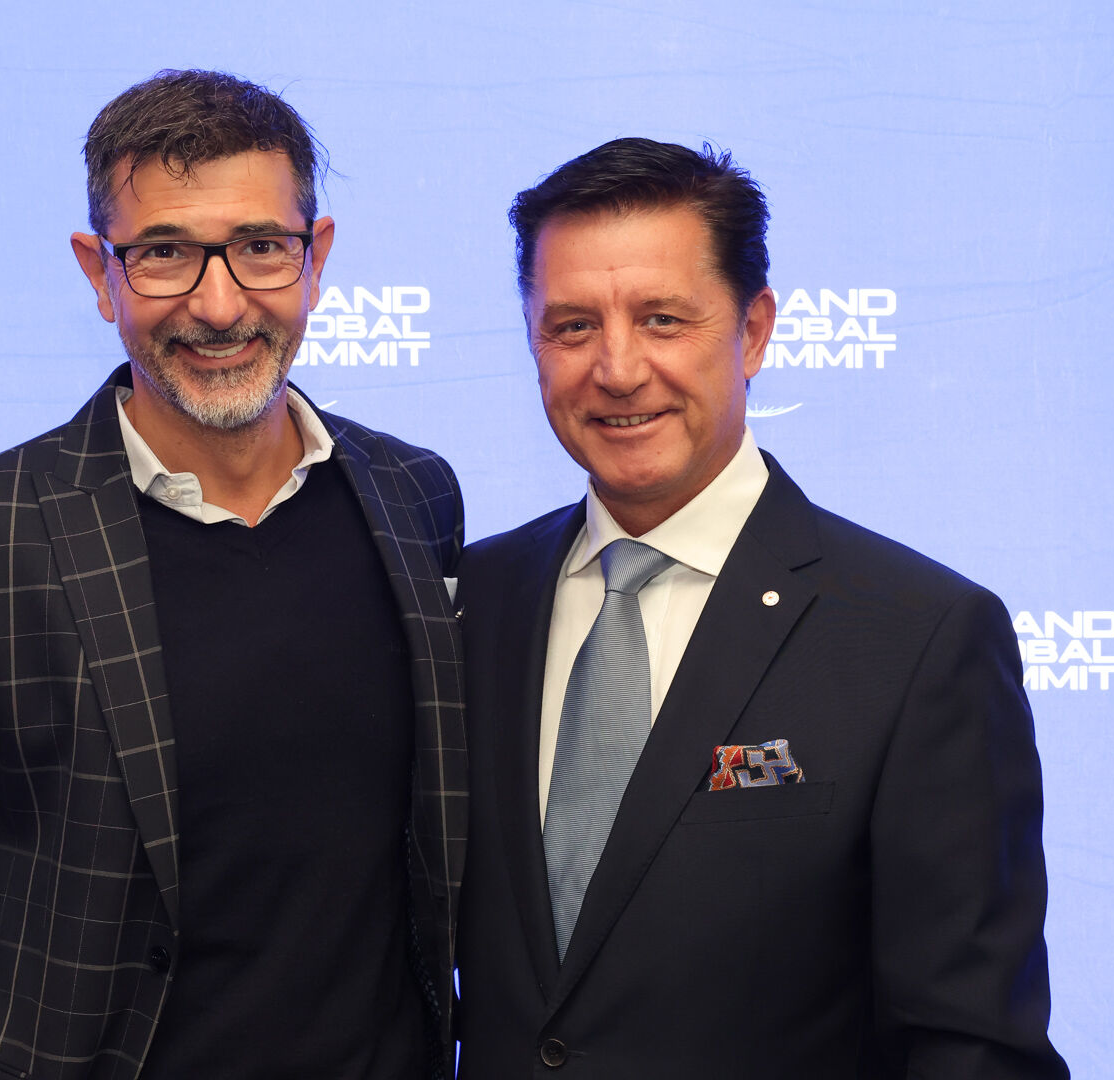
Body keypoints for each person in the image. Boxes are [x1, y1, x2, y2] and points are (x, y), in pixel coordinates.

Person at [0, 69, 465, 1080]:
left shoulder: (416, 496)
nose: (219, 304)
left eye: (260, 247)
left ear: (316, 256)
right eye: (164, 253)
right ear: (98, 271)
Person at [454, 138, 1068, 1078]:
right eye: (572, 327)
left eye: (662, 319)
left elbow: (972, 1047)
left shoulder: (917, 638)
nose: (617, 369)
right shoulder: (469, 605)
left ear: (753, 331)